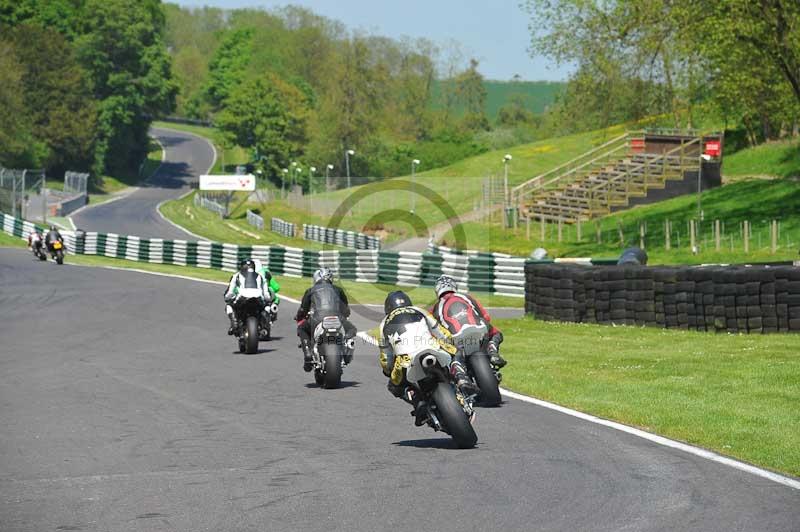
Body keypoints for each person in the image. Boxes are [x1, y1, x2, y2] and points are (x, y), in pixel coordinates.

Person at [378, 291, 477, 423]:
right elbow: (439, 331)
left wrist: (387, 370)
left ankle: (417, 401)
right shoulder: (418, 310)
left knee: (393, 386)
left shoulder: (383, 325)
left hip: (406, 360)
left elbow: (386, 357)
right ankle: (461, 377)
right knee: (457, 351)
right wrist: (450, 341)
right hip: (431, 348)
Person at [430, 275, 507, 369]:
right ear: (454, 286)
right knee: (496, 333)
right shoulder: (467, 297)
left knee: (444, 347)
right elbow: (486, 316)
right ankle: (492, 351)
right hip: (477, 329)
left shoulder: (434, 308)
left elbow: (434, 331)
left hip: (454, 338)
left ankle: (458, 370)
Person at [295, 267, 357, 371]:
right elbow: (346, 310)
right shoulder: (338, 290)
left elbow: (302, 310)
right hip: (337, 319)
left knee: (302, 328)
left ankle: (308, 354)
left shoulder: (310, 291)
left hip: (317, 319)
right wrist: (343, 316)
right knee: (352, 329)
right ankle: (348, 348)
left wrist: (299, 317)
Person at [223, 259, 268, 335]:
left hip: (242, 297)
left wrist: (227, 297)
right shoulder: (260, 276)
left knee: (229, 306)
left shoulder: (236, 275)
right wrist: (268, 300)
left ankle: (234, 323)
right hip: (258, 298)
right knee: (266, 307)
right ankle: (263, 326)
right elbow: (266, 294)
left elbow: (230, 292)